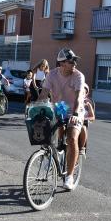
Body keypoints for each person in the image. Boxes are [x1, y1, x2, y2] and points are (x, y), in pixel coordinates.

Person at [38, 48, 85, 191]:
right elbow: (44, 94)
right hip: (59, 108)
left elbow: (78, 98)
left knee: (71, 138)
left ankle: (70, 176)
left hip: (75, 110)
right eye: (72, 62)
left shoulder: (78, 76)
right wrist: (36, 109)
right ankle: (51, 157)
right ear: (62, 63)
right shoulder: (51, 75)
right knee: (46, 134)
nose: (75, 64)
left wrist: (75, 114)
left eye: (75, 61)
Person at [79, 83, 95, 156]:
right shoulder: (72, 101)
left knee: (83, 128)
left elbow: (92, 117)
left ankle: (82, 148)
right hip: (72, 121)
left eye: (83, 93)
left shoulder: (87, 104)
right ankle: (61, 143)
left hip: (82, 123)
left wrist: (84, 118)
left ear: (86, 94)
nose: (81, 94)